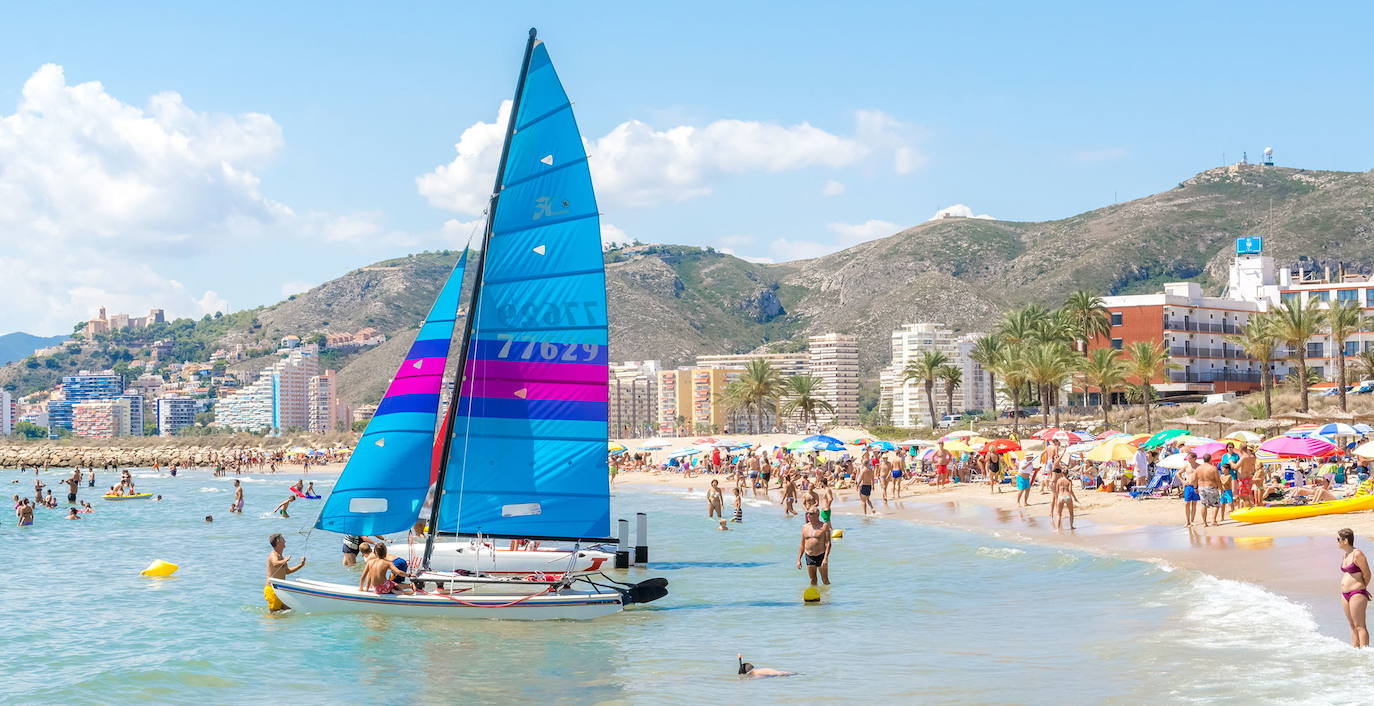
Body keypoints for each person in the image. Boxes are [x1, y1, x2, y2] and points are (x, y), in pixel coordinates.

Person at [1339, 528, 1371, 648]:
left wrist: (1362, 587)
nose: (1337, 542)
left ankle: (1365, 654)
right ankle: (1355, 652)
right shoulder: (1345, 554)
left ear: (1345, 540)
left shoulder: (1358, 554)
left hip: (1357, 593)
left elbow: (1367, 573)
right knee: (1352, 625)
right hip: (1345, 594)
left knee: (1360, 626)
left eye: (1338, 539)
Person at [264, 533, 306, 611]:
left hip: (281, 589)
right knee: (274, 613)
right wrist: (285, 560)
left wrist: (301, 565)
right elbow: (275, 563)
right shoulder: (274, 554)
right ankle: (269, 622)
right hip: (272, 589)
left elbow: (287, 571)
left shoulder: (281, 556)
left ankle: (283, 623)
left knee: (288, 610)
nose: (285, 541)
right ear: (278, 541)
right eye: (283, 539)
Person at [797, 510, 831, 585]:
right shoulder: (804, 527)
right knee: (813, 580)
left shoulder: (824, 526)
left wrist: (825, 558)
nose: (808, 515)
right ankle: (815, 596)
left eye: (811, 513)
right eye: (807, 513)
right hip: (809, 555)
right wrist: (798, 559)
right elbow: (802, 544)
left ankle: (827, 596)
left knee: (825, 580)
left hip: (821, 555)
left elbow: (828, 543)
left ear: (817, 515)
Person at [1195, 456, 1221, 527]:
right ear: (1210, 459)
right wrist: (1221, 488)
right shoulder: (1213, 468)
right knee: (1215, 504)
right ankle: (1213, 521)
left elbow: (1195, 479)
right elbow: (1217, 479)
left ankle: (1204, 523)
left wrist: (1195, 487)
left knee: (1204, 505)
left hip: (1201, 487)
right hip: (1211, 487)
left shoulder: (1198, 468)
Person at [1180, 454, 1201, 526]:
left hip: (1196, 486)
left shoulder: (1199, 466)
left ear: (1194, 458)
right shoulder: (1186, 466)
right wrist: (1183, 481)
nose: (1188, 459)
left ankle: (1192, 520)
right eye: (1187, 458)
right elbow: (1178, 474)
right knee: (1187, 503)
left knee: (1194, 503)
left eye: (1189, 458)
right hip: (1188, 486)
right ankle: (1187, 521)